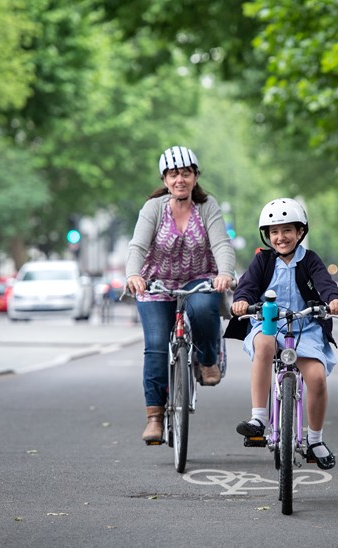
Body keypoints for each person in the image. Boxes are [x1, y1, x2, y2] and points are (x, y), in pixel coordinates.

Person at [225, 198, 338, 470]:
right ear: (267, 236)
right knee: (265, 345)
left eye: (287, 230)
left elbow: (325, 285)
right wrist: (242, 301)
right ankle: (258, 418)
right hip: (268, 323)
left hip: (305, 327)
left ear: (300, 232)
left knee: (316, 377)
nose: (281, 237)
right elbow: (246, 286)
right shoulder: (263, 261)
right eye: (274, 232)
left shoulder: (310, 260)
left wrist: (334, 300)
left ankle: (315, 440)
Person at [126, 145, 236, 445]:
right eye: (173, 174)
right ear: (164, 179)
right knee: (157, 346)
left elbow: (222, 244)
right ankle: (154, 418)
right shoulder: (154, 208)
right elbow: (137, 246)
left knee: (203, 308)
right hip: (156, 283)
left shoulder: (207, 206)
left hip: (199, 278)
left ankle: (207, 358)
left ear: (195, 176)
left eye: (186, 173)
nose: (180, 180)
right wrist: (133, 274)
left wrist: (225, 273)